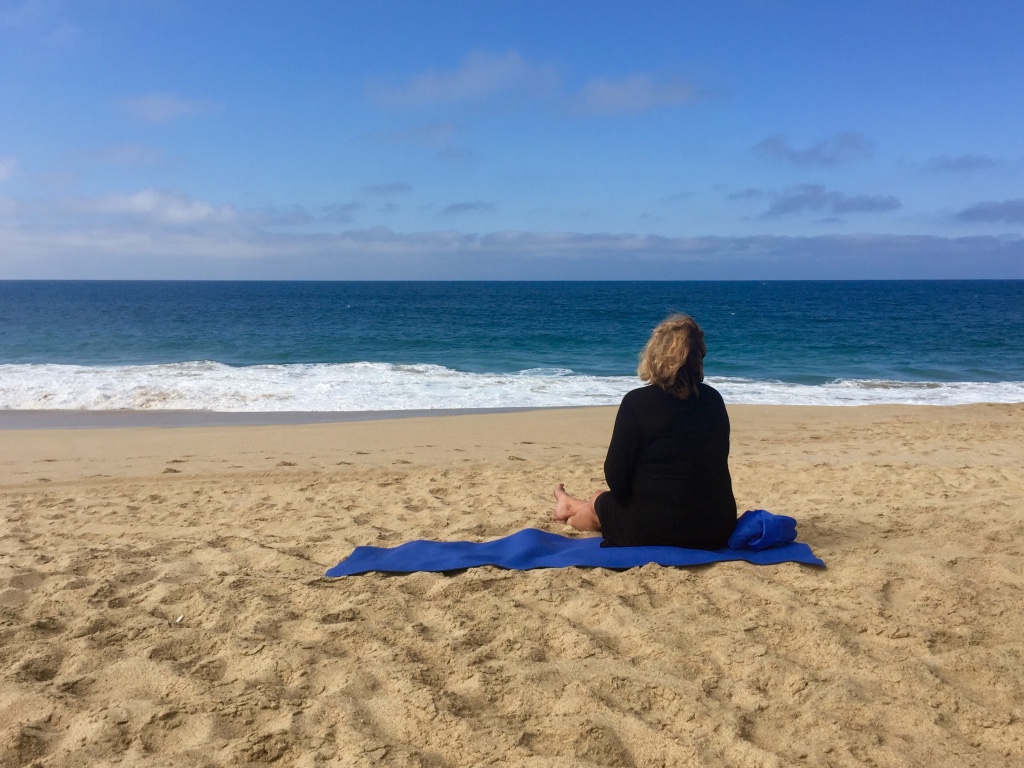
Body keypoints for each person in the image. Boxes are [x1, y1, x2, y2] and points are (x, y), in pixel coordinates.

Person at [553, 314, 737, 549]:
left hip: (655, 528)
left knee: (599, 501)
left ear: (655, 354)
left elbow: (616, 474)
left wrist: (629, 501)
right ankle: (569, 503)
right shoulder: (713, 400)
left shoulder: (637, 402)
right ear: (698, 356)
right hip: (715, 527)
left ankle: (568, 513)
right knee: (602, 500)